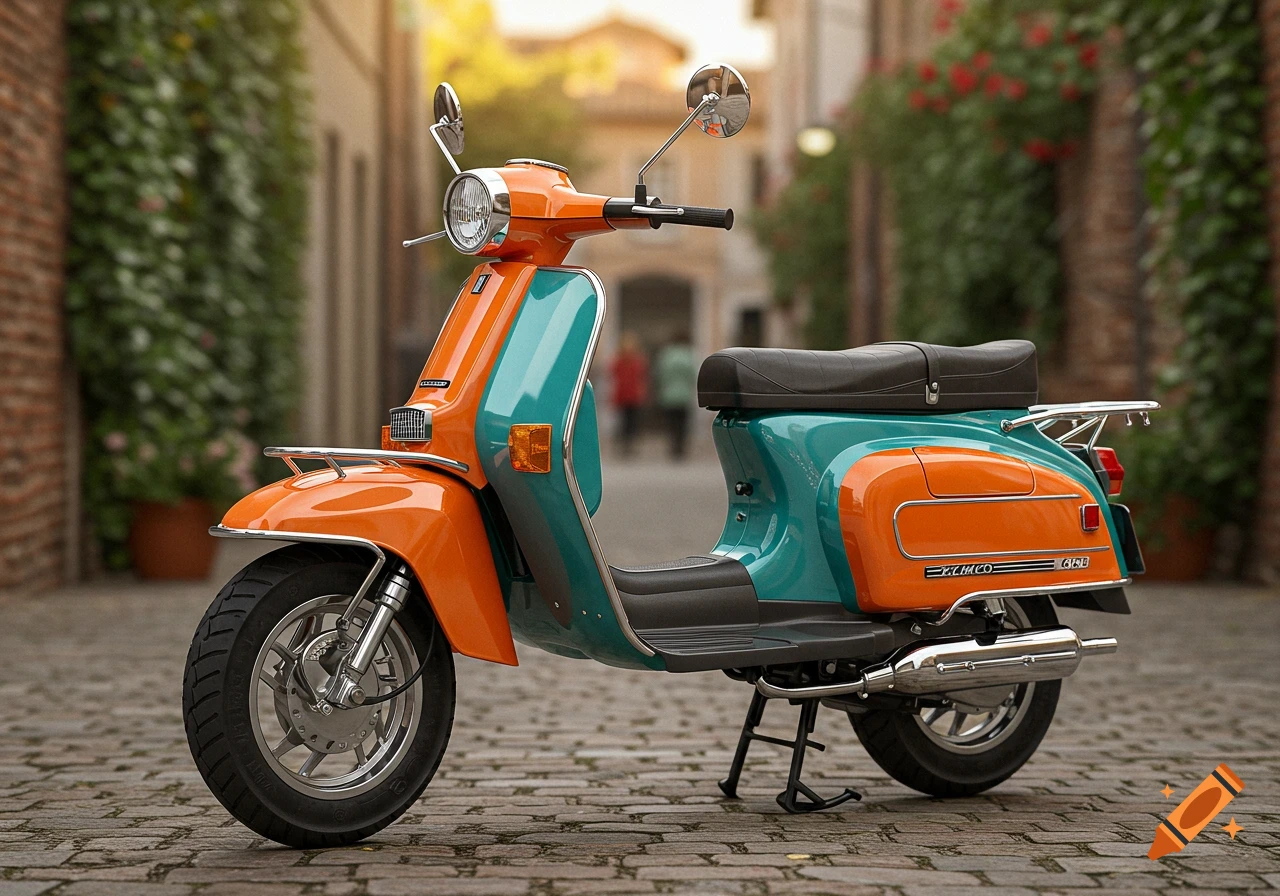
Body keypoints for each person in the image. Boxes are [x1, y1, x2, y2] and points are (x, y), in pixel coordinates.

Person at [655, 330, 696, 460]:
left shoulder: (667, 355)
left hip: (668, 395)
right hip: (684, 395)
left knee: (671, 422)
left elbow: (660, 374)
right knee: (683, 423)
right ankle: (681, 446)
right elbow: (693, 374)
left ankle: (673, 445)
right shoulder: (688, 354)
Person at [610, 331, 648, 456]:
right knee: (624, 421)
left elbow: (641, 376)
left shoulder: (636, 361)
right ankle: (624, 443)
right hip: (623, 394)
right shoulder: (620, 361)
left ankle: (629, 443)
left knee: (631, 421)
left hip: (632, 394)